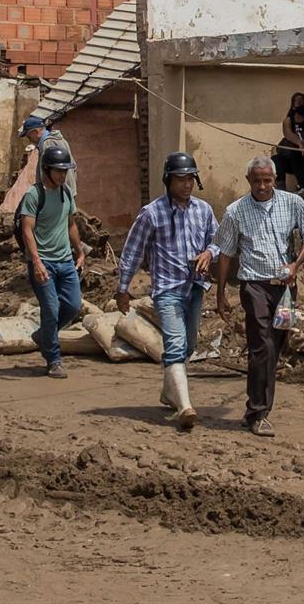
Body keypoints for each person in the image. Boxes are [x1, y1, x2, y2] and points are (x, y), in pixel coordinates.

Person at [212, 154, 304, 436]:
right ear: (248, 180)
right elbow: (225, 254)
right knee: (262, 345)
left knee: (277, 345)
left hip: (286, 288)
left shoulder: (293, 203)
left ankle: (252, 409)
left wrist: (295, 265)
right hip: (254, 285)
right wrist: (221, 293)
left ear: (275, 180)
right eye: (257, 181)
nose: (262, 186)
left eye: (267, 180)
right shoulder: (236, 211)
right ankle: (259, 413)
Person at [116, 152, 217, 430]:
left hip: (195, 286)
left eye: (190, 179)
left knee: (189, 346)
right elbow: (132, 252)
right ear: (168, 181)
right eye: (180, 179)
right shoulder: (152, 213)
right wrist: (122, 289)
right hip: (168, 290)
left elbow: (217, 240)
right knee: (174, 345)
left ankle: (167, 392)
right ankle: (185, 406)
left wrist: (209, 253)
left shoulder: (204, 210)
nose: (186, 184)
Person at [17, 144, 85, 378]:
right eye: (59, 171)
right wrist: (36, 262)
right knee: (51, 309)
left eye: (65, 171)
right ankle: (54, 360)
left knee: (74, 305)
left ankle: (44, 335)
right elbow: (27, 230)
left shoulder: (66, 193)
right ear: (47, 169)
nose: (63, 175)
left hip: (65, 261)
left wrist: (80, 250)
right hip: (43, 261)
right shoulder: (35, 195)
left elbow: (71, 224)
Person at [18, 115, 74, 196]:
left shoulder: (48, 144)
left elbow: (51, 175)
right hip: (66, 193)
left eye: (29, 136)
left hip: (58, 196)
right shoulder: (59, 140)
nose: (29, 140)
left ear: (36, 132)